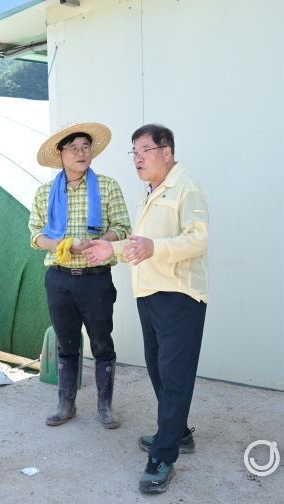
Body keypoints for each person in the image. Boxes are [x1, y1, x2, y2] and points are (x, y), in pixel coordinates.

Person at [85, 124, 208, 494]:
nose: (137, 158)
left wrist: (155, 248)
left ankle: (163, 455)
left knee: (174, 375)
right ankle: (179, 432)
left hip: (179, 296)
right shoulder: (150, 193)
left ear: (166, 152)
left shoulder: (187, 190)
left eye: (144, 150)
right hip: (150, 293)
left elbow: (197, 239)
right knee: (157, 369)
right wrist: (113, 250)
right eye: (133, 152)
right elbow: (140, 244)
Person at [29, 122, 131, 429]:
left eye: (85, 147)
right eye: (73, 148)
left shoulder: (108, 186)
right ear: (60, 155)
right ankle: (66, 404)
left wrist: (102, 242)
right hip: (59, 278)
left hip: (96, 277)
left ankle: (105, 406)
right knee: (66, 342)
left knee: (102, 342)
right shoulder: (46, 192)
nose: (81, 153)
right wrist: (61, 244)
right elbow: (35, 235)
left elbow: (123, 228)